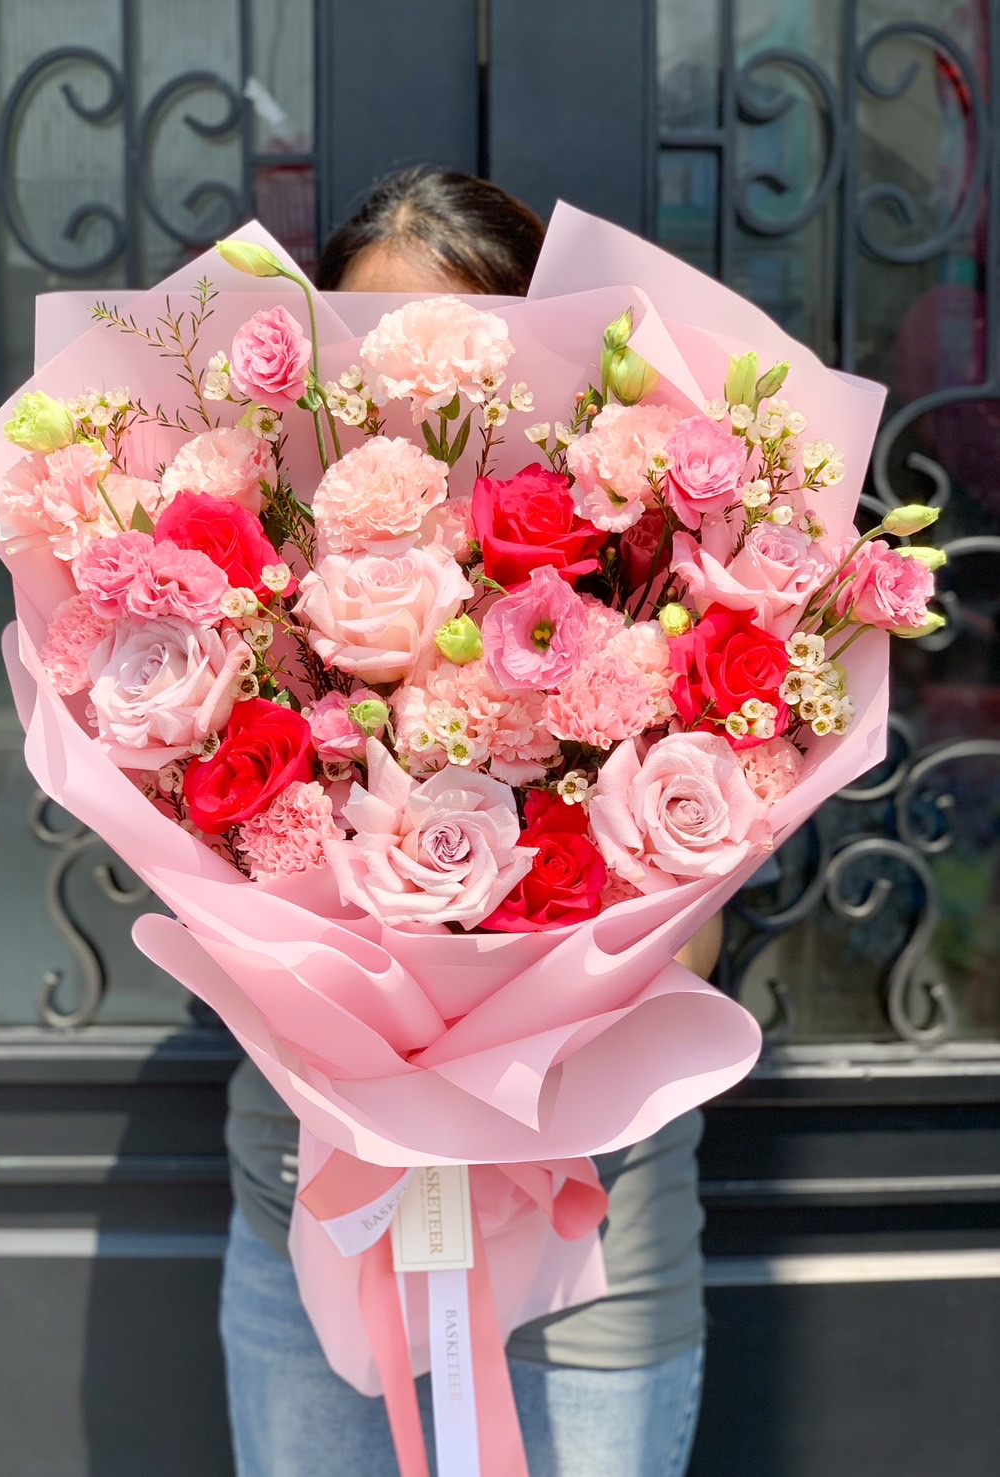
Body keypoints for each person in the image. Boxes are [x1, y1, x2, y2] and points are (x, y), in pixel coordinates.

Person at [219, 166, 722, 1477]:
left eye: (467, 363)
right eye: (382, 366)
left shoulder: (650, 607)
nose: (423, 410)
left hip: (590, 1232)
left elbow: (699, 952)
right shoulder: (256, 615)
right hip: (317, 1219)